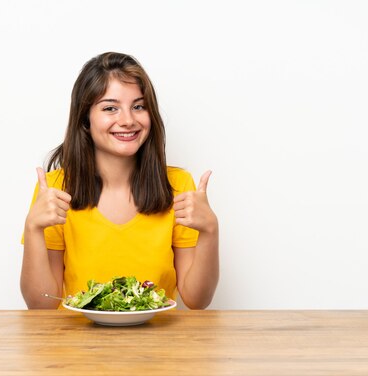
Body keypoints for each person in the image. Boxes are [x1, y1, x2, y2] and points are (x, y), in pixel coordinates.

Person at [20, 52, 219, 309]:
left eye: (138, 106)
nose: (128, 120)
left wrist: (210, 230)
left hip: (158, 344)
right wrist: (33, 228)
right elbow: (41, 305)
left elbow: (196, 299)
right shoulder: (55, 188)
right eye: (110, 108)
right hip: (77, 345)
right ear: (85, 120)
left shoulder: (179, 185)